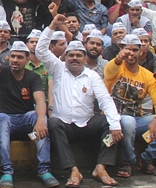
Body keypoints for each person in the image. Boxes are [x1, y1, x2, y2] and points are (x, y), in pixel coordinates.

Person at [36, 14, 122, 187]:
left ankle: (101, 167)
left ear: (85, 58)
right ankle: (73, 170)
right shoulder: (58, 69)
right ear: (65, 57)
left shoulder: (93, 76)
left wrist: (115, 125)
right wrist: (53, 24)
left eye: (78, 55)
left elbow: (105, 100)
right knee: (53, 123)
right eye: (71, 55)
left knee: (111, 123)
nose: (74, 58)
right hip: (64, 124)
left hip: (87, 122)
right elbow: (40, 50)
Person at [0, 40, 58, 188]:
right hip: (5, 118)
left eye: (19, 57)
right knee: (2, 119)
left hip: (25, 117)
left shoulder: (33, 77)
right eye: (12, 56)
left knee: (37, 116)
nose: (15, 60)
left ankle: (44, 170)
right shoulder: (2, 71)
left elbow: (40, 100)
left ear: (27, 59)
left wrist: (41, 120)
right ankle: (6, 171)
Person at [104, 33, 156, 177]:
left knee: (132, 121)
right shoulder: (115, 66)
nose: (131, 53)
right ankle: (128, 162)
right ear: (121, 49)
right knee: (128, 122)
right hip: (112, 117)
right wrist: (120, 57)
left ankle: (146, 160)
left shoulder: (148, 76)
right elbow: (108, 72)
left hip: (137, 118)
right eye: (127, 49)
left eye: (135, 50)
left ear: (142, 51)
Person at [25, 30, 51, 102]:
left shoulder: (48, 64)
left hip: (45, 102)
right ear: (27, 45)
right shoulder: (23, 64)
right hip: (25, 103)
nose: (34, 44)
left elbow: (51, 87)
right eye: (32, 42)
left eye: (37, 42)